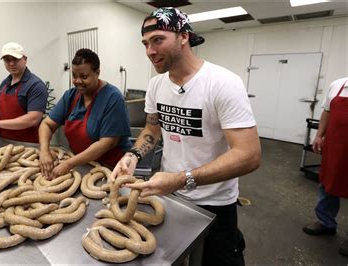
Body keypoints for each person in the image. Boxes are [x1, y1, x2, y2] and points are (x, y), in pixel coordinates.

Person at [110, 7, 261, 266]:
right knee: (171, 259)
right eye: (146, 43)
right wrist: (133, 155)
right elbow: (152, 129)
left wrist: (182, 179)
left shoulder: (223, 83)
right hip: (171, 198)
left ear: (184, 36)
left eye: (158, 40)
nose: (150, 51)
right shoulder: (157, 85)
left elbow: (249, 155)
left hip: (214, 204)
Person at [39, 48, 131, 179]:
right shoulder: (70, 96)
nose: (77, 81)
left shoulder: (113, 98)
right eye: (74, 76)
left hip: (111, 168)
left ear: (97, 73)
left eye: (84, 76)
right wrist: (44, 151)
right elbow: (47, 124)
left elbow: (107, 143)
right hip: (81, 165)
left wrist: (68, 164)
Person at [303, 77, 348, 257]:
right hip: (336, 146)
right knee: (328, 183)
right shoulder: (338, 85)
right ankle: (326, 223)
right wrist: (319, 135)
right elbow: (327, 112)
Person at [0, 42, 48, 143]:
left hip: (28, 146)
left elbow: (33, 119)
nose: (11, 63)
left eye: (15, 59)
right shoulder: (5, 83)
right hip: (5, 142)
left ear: (25, 59)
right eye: (7, 60)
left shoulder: (35, 85)